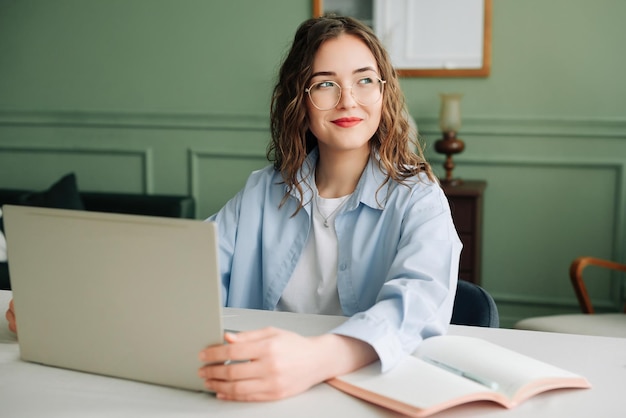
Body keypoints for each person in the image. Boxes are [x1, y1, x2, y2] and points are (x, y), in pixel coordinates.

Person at [6, 15, 461, 402]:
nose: (348, 100)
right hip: (252, 392)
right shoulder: (263, 192)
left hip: (363, 392)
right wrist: (65, 306)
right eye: (325, 84)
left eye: (365, 80)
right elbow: (178, 274)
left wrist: (318, 357)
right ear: (299, 101)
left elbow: (418, 304)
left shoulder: (419, 196)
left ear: (384, 91)